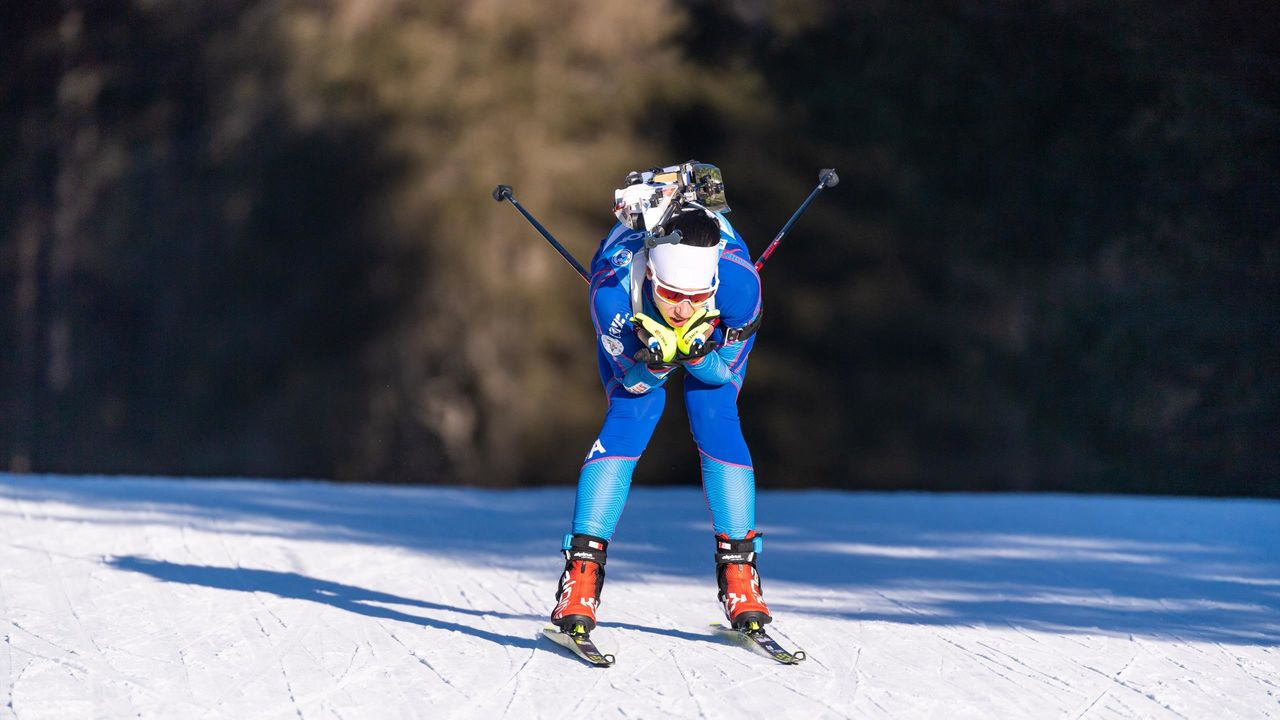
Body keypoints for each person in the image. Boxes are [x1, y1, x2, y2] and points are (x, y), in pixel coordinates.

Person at [550, 169, 770, 636]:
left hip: (716, 319)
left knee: (714, 410)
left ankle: (740, 576)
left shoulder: (738, 288)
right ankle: (581, 579)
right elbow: (633, 388)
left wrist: (700, 353)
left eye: (696, 298)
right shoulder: (612, 295)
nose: (683, 310)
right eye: (671, 296)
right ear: (651, 276)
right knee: (633, 415)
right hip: (632, 322)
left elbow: (722, 377)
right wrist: (651, 366)